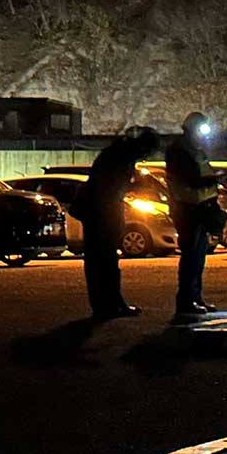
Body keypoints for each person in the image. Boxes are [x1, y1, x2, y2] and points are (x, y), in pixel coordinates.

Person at [73, 126, 160, 319]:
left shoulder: (115, 153)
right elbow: (110, 188)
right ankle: (110, 304)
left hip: (99, 211)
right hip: (102, 212)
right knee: (105, 260)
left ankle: (105, 304)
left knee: (100, 260)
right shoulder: (120, 157)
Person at [166, 111, 223, 316]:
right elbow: (189, 179)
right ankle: (186, 301)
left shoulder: (194, 149)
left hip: (200, 206)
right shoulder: (179, 151)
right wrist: (214, 179)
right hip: (188, 208)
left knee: (198, 257)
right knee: (191, 256)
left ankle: (195, 298)